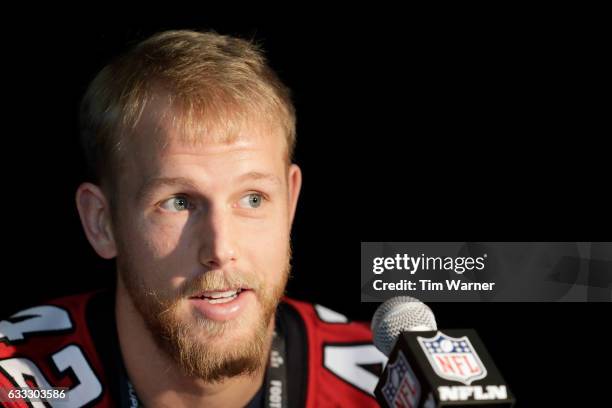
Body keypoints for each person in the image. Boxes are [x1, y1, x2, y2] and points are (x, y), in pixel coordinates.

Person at [0, 30, 386, 407]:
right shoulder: (18, 381)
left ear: (290, 202)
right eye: (179, 202)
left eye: (252, 199)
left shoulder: (385, 384)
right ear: (102, 222)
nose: (220, 249)